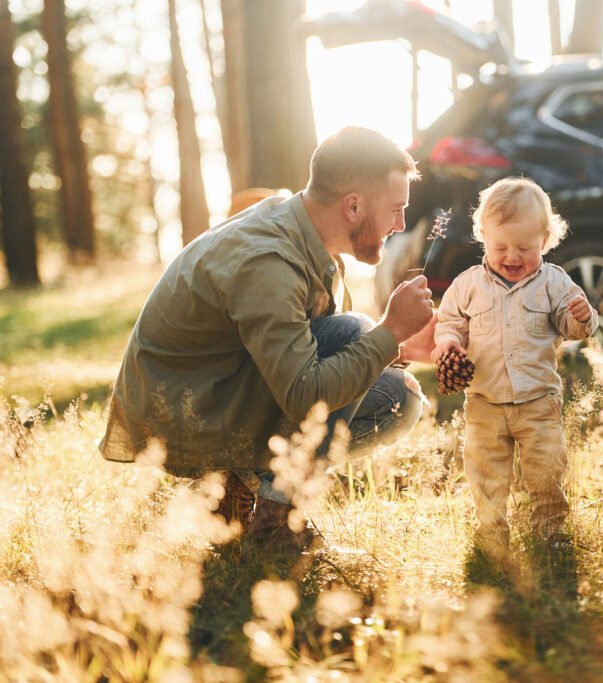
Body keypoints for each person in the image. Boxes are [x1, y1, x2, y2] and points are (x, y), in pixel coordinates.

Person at [100, 126, 437, 546]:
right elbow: (305, 394)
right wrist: (387, 333)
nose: (400, 223)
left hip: (223, 387)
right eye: (395, 209)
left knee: (394, 388)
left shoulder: (300, 227)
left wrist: (399, 345)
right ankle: (273, 523)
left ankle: (236, 485)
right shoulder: (268, 261)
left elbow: (311, 348)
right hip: (185, 418)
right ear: (353, 206)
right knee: (371, 356)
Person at [433, 177, 598, 553]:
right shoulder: (467, 284)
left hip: (538, 401)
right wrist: (449, 344)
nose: (511, 256)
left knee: (545, 471)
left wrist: (582, 316)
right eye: (500, 246)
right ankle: (492, 531)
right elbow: (450, 322)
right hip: (484, 401)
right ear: (483, 238)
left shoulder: (554, 283)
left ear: (545, 239)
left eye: (524, 247)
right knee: (486, 472)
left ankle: (550, 531)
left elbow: (572, 328)